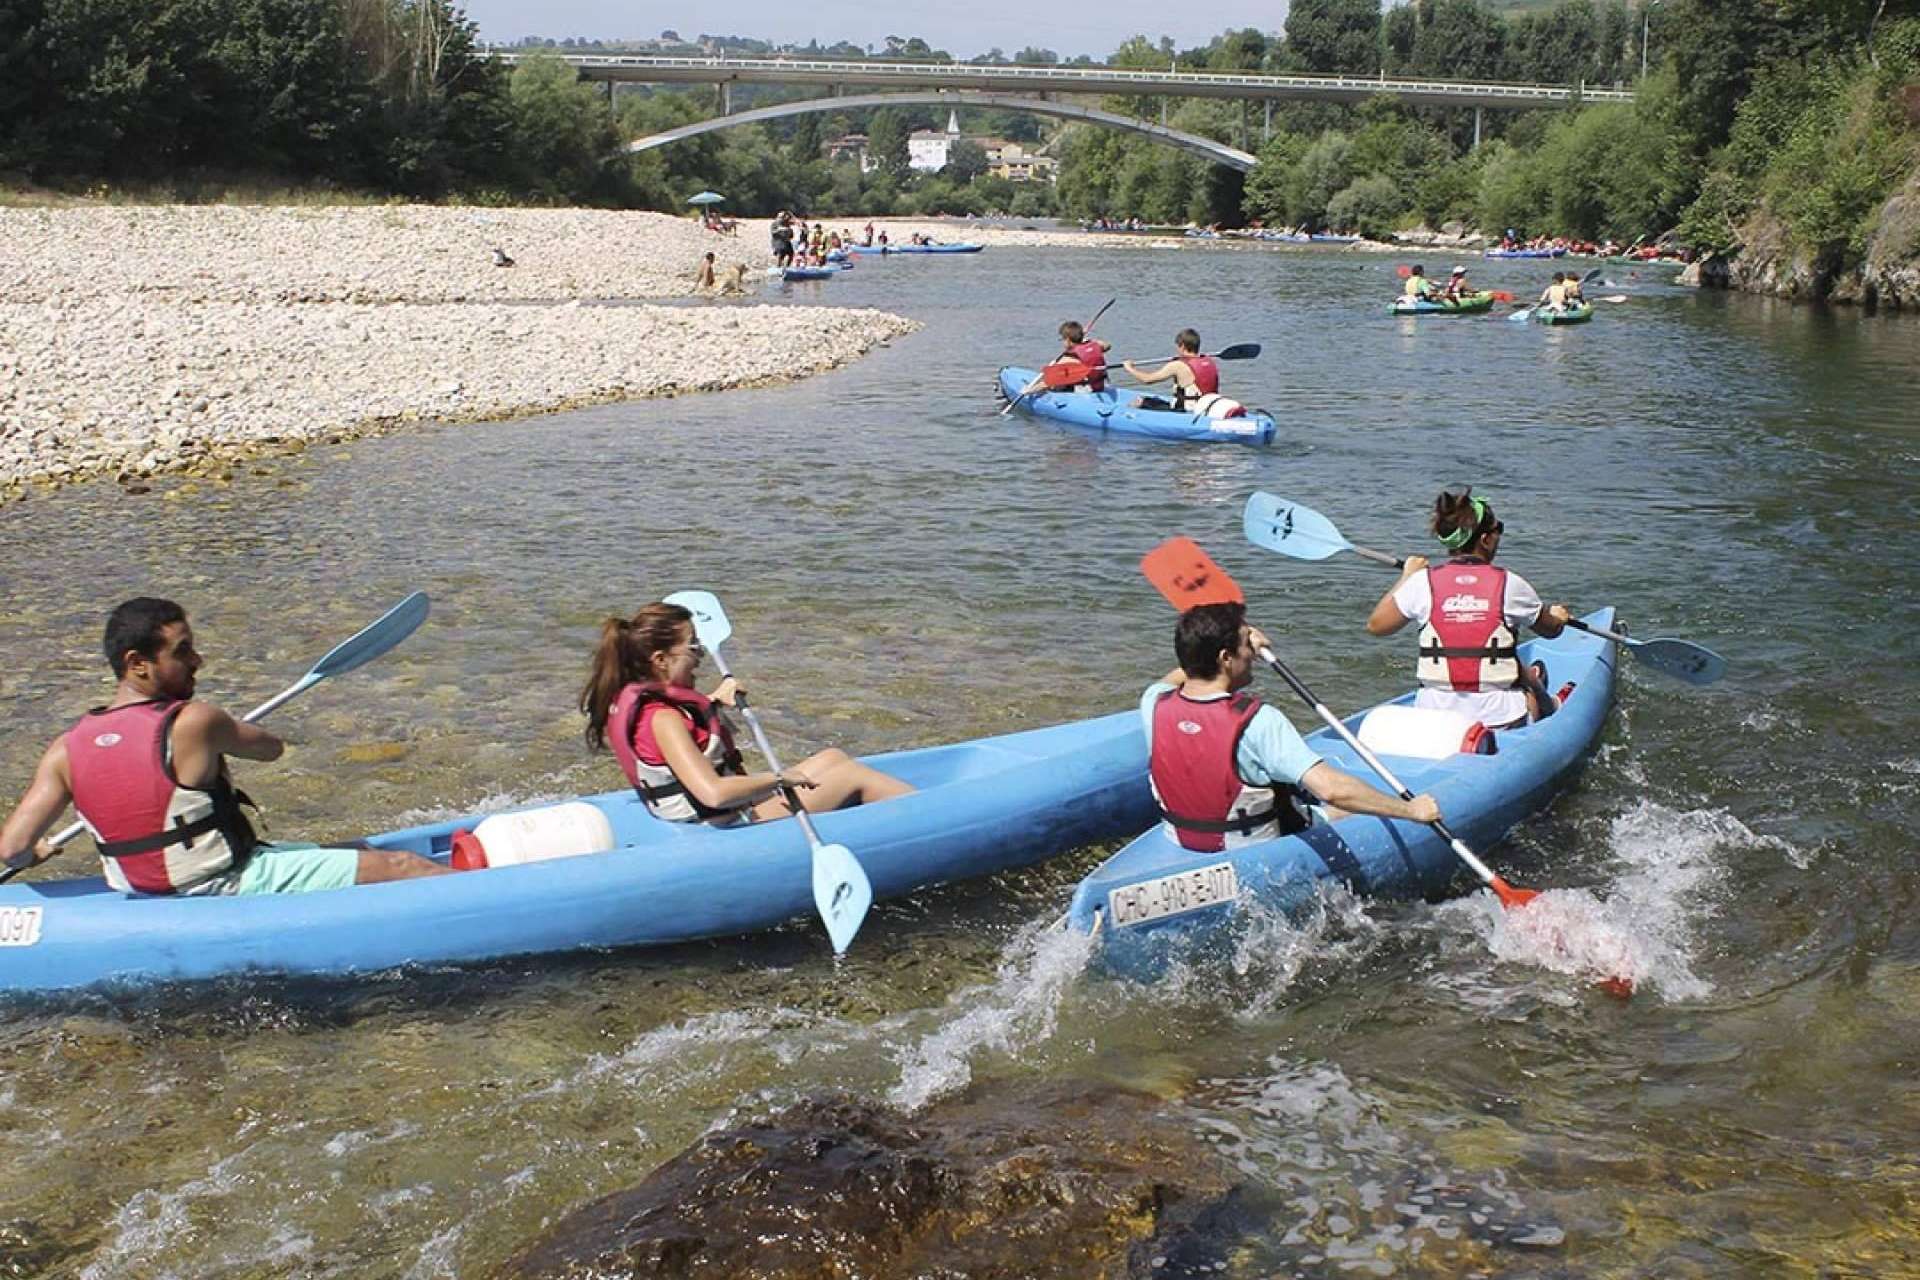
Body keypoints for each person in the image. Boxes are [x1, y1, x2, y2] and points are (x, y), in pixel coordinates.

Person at [0, 598, 452, 894]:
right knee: (402, 865)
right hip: (223, 881)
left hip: (142, 888)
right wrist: (228, 733)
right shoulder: (195, 721)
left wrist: (33, 854)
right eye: (182, 651)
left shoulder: (65, 749)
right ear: (137, 664)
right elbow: (270, 749)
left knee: (354, 849)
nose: (197, 661)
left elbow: (10, 849)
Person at [1143, 602, 1442, 853]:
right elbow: (1332, 790)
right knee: (1346, 807)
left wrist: (1217, 649)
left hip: (1182, 839)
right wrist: (1411, 811)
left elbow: (1179, 675)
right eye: (1247, 644)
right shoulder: (1260, 721)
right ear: (1226, 658)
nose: (1252, 653)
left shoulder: (1153, 703)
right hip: (1254, 848)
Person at [580, 602, 914, 827]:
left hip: (719, 813)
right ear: (660, 660)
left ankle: (873, 822)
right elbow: (714, 793)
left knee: (832, 757)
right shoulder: (662, 719)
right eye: (693, 648)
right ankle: (939, 819)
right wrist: (780, 778)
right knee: (853, 775)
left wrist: (713, 701)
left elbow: (681, 735)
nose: (700, 657)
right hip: (721, 823)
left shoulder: (652, 705)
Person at [1366, 488, 1572, 729]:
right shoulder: (1511, 584)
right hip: (1500, 720)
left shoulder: (1422, 583)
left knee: (1508, 662)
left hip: (1435, 719)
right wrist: (1558, 617)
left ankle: (1532, 680)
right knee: (1524, 687)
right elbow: (1551, 630)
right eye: (1499, 529)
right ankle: (1549, 705)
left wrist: (1408, 577)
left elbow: (1376, 626)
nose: (1499, 536)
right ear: (1485, 539)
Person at [1123, 328, 1217, 412]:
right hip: (1208, 406)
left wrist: (1129, 368)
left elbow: (1147, 380)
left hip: (1185, 410)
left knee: (1140, 401)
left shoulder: (1177, 365)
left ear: (1183, 346)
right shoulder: (1209, 361)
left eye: (1178, 346)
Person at [1048, 320, 1111, 393]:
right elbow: (1107, 346)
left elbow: (1049, 380)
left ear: (1068, 340)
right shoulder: (1095, 346)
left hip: (1084, 392)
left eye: (1062, 339)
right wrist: (1084, 339)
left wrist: (1033, 390)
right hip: (1099, 388)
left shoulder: (1069, 358)